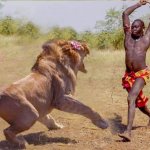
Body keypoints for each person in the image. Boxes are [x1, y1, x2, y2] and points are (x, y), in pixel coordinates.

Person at [118, 0, 150, 142]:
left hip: (141, 74)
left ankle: (128, 132)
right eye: (132, 26)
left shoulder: (146, 39)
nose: (134, 28)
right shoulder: (128, 37)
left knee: (131, 98)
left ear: (143, 28)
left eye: (137, 27)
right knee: (137, 102)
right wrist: (139, 4)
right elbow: (125, 13)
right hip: (129, 75)